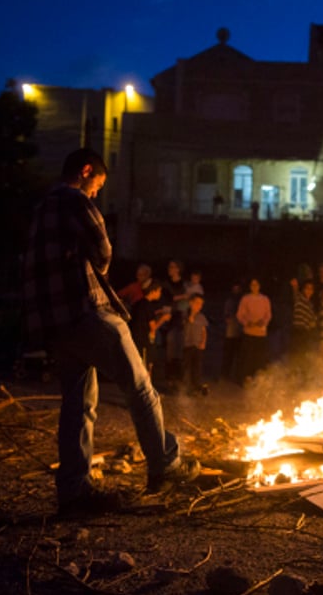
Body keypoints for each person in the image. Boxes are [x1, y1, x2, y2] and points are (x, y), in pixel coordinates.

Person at [23, 148, 198, 515]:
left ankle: (73, 490)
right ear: (86, 171)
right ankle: (165, 464)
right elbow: (102, 251)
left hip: (58, 323)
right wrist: (97, 260)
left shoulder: (41, 208)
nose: (96, 194)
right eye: (97, 185)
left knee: (77, 405)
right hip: (88, 312)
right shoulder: (74, 199)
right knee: (141, 387)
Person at [236, 277, 271, 382]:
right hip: (249, 333)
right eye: (252, 285)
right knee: (248, 358)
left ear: (259, 286)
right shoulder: (246, 299)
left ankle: (258, 380)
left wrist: (263, 322)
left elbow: (268, 314)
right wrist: (247, 322)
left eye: (256, 285)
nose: (254, 287)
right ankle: (247, 379)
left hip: (261, 333)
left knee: (259, 358)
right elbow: (239, 314)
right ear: (250, 286)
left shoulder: (265, 299)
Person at [182, 293, 209, 396]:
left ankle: (196, 387)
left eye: (201, 304)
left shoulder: (201, 317)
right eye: (197, 303)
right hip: (187, 345)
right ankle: (185, 387)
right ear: (191, 303)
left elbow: (204, 331)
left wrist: (203, 342)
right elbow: (186, 323)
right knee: (186, 367)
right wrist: (191, 314)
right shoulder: (185, 314)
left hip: (198, 346)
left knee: (197, 367)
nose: (199, 306)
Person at [221, 281, 244, 385]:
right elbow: (226, 316)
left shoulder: (242, 301)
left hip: (240, 333)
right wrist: (228, 318)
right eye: (234, 289)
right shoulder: (229, 302)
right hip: (230, 333)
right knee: (228, 356)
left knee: (239, 357)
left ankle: (237, 377)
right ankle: (225, 376)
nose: (236, 291)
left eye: (237, 289)